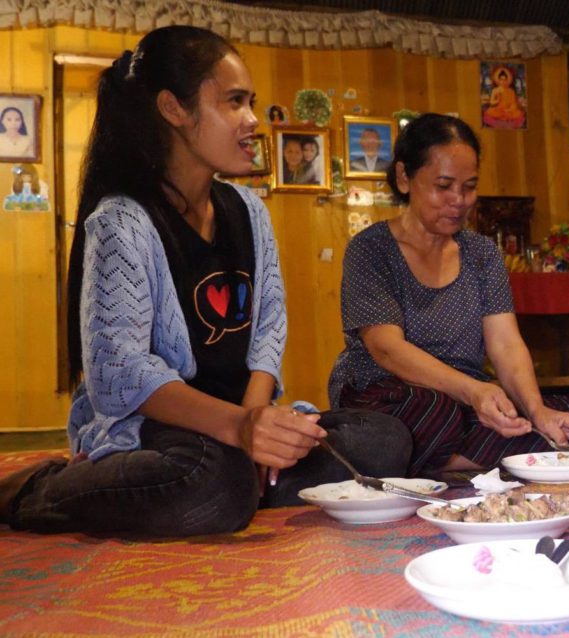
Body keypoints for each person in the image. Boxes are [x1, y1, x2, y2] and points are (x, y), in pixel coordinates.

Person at [0, 25, 410, 537]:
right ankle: (40, 491)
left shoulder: (249, 212)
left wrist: (257, 424)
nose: (252, 120)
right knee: (210, 480)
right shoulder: (122, 222)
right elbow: (120, 372)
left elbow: (267, 334)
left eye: (251, 102)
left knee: (385, 439)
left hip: (238, 423)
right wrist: (240, 431)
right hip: (162, 432)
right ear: (174, 109)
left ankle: (243, 484)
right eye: (234, 102)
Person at [327, 113, 569, 477]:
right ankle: (482, 455)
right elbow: (386, 348)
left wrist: (536, 410)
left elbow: (505, 343)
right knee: (435, 415)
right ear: (404, 177)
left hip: (465, 397)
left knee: (555, 412)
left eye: (469, 186)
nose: (459, 200)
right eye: (443, 186)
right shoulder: (371, 249)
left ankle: (440, 462)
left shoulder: (482, 254)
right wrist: (473, 392)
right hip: (387, 393)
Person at [482, 65, 526, 129]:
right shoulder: (495, 90)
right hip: (498, 110)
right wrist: (497, 101)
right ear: (498, 80)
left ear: (507, 80)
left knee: (518, 114)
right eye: (501, 80)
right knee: (490, 113)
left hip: (509, 111)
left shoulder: (511, 91)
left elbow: (514, 103)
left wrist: (509, 109)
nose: (503, 82)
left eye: (505, 80)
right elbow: (491, 102)